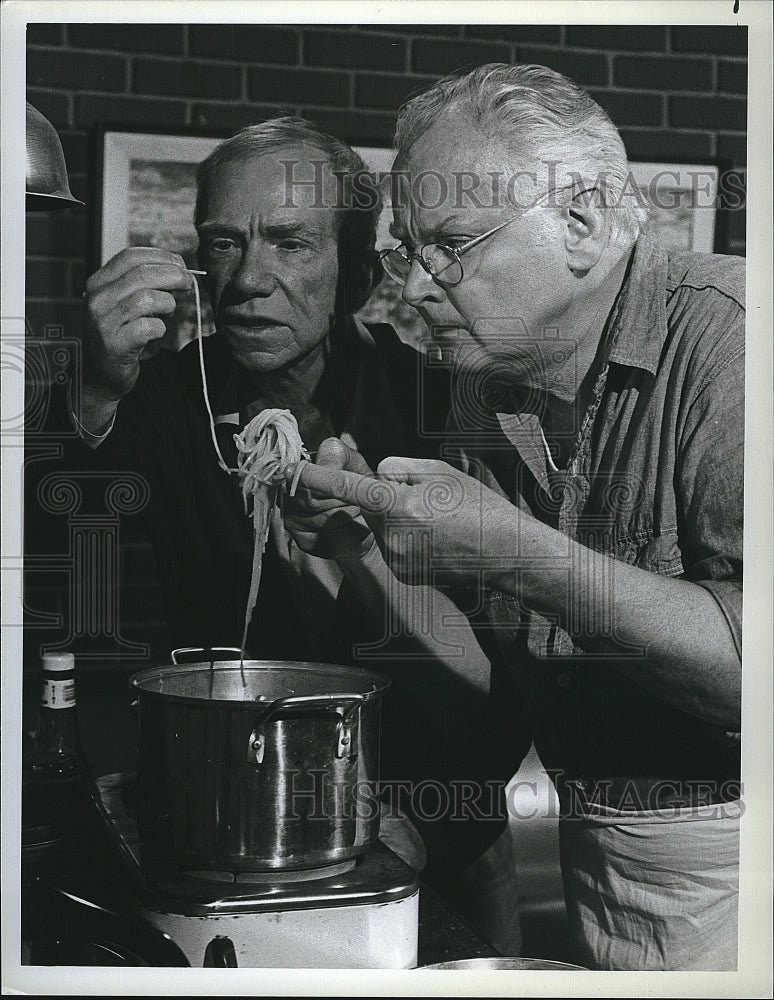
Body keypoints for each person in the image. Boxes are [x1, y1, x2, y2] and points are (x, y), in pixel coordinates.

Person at [286, 65, 744, 971]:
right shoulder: (488, 394)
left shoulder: (735, 340)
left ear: (582, 219)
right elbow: (495, 701)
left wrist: (522, 554)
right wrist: (356, 549)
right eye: (404, 253)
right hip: (603, 863)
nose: (412, 292)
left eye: (450, 245)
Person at [59, 117, 522, 954]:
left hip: (430, 835)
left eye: (289, 244)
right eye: (225, 244)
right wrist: (89, 394)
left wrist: (428, 827)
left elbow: (513, 679)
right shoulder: (159, 400)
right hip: (225, 835)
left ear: (354, 273)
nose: (247, 281)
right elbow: (57, 576)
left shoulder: (445, 411)